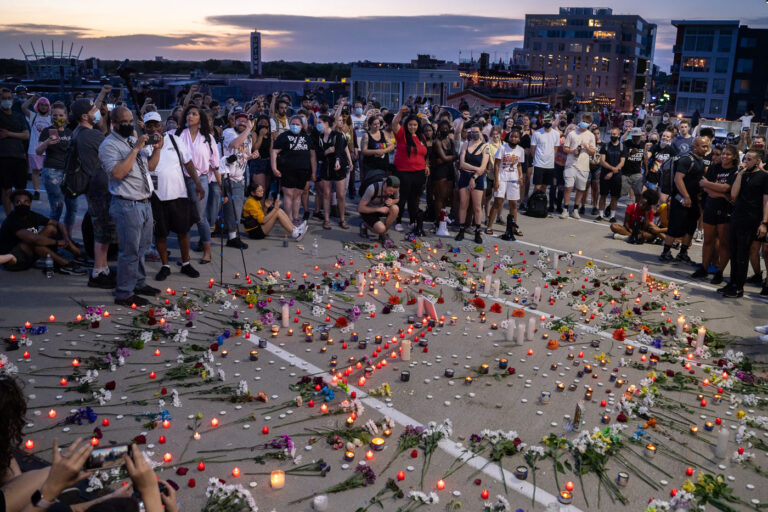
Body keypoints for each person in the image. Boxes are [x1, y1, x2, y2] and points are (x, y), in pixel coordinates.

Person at [99, 106, 161, 307]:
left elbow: (150, 167)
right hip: (126, 204)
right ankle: (124, 293)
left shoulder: (132, 138)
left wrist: (157, 149)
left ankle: (139, 283)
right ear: (114, 123)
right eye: (123, 122)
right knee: (129, 251)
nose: (128, 125)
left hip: (144, 202)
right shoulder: (108, 145)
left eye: (130, 121)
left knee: (142, 248)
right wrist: (135, 149)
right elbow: (117, 173)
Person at [142, 112, 203, 281]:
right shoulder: (142, 145)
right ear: (144, 127)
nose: (153, 128)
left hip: (179, 194)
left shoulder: (175, 140)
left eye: (156, 124)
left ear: (162, 125)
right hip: (156, 196)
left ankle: (186, 263)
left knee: (183, 231)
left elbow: (188, 162)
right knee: (160, 234)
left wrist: (197, 183)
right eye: (149, 125)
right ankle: (165, 265)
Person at [718, 150, 768, 298]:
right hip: (737, 217)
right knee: (733, 251)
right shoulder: (743, 174)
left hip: (751, 219)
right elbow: (733, 195)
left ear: (758, 161)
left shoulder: (764, 177)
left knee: (742, 254)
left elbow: (766, 201)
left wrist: (764, 223)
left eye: (750, 159)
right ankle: (732, 283)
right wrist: (739, 174)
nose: (746, 161)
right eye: (745, 158)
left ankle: (739, 287)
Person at [0, 189, 86, 274]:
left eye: (26, 202)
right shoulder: (12, 221)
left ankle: (79, 255)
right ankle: (64, 264)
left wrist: (66, 238)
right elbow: (34, 239)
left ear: (30, 203)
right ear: (13, 204)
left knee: (51, 228)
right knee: (36, 243)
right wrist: (57, 242)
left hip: (27, 252)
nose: (22, 204)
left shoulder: (32, 215)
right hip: (12, 261)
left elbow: (57, 223)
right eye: (18, 202)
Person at [176, 105, 221, 264]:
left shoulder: (208, 138)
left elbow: (215, 164)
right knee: (184, 218)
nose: (190, 116)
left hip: (201, 180)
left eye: (194, 114)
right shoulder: (180, 134)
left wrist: (222, 187)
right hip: (181, 179)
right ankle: (185, 255)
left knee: (200, 217)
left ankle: (207, 252)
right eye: (188, 113)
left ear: (200, 118)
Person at [659, 136, 709, 264]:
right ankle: (665, 252)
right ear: (695, 147)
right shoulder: (686, 160)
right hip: (681, 200)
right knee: (674, 227)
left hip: (693, 201)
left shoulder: (701, 161)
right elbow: (678, 179)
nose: (706, 149)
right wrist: (686, 196)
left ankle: (683, 253)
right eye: (703, 146)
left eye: (707, 146)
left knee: (690, 228)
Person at [693, 144, 738, 284]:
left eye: (728, 154)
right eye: (723, 153)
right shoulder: (714, 168)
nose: (724, 156)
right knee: (708, 241)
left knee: (724, 243)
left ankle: (719, 272)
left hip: (726, 210)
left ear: (734, 157)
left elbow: (727, 187)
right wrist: (723, 194)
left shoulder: (735, 171)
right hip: (710, 207)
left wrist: (711, 186)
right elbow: (703, 186)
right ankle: (704, 268)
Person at [35, 103, 78, 235]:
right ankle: (51, 238)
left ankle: (67, 238)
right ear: (51, 117)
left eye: (61, 115)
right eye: (55, 115)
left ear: (66, 117)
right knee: (57, 207)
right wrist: (48, 142)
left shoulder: (70, 132)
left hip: (68, 174)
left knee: (73, 207)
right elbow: (38, 151)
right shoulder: (46, 131)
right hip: (51, 172)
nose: (58, 117)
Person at [220, 112, 256, 249]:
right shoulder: (228, 132)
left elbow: (243, 154)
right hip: (226, 176)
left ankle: (232, 237)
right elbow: (234, 145)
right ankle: (205, 239)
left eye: (245, 121)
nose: (242, 123)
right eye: (239, 121)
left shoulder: (249, 136)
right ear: (234, 122)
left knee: (236, 210)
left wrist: (251, 156)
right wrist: (248, 129)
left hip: (240, 178)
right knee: (225, 210)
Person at [271, 116, 316, 223]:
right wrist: (274, 168)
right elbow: (274, 152)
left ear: (302, 126)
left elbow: (313, 156)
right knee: (288, 194)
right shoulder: (283, 136)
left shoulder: (307, 137)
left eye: (297, 124)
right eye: (293, 124)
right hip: (287, 170)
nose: (295, 126)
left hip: (303, 170)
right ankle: (288, 219)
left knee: (298, 195)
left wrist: (313, 172)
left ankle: (295, 218)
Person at [391, 106, 429, 234]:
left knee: (414, 198)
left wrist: (427, 166)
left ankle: (413, 221)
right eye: (410, 124)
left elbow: (425, 154)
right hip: (403, 172)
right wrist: (400, 112)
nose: (413, 127)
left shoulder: (421, 137)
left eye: (415, 125)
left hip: (418, 173)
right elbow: (394, 123)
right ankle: (399, 221)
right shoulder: (401, 135)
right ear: (406, 125)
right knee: (402, 197)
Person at [488, 129, 524, 241]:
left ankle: (513, 227)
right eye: (512, 136)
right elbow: (497, 165)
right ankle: (489, 226)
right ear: (509, 137)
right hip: (502, 178)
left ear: (519, 139)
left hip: (513, 179)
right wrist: (496, 180)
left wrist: (521, 176)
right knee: (498, 202)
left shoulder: (520, 150)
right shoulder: (502, 148)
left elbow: (519, 165)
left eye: (516, 137)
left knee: (513, 204)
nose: (514, 138)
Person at [316, 115, 352, 229]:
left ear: (326, 123)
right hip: (325, 167)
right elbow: (319, 154)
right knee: (326, 194)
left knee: (341, 195)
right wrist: (327, 151)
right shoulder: (319, 137)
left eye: (319, 122)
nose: (317, 124)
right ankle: (326, 219)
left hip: (338, 167)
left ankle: (342, 219)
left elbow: (340, 150)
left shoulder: (337, 135)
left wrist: (337, 160)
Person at [456, 123, 489, 242]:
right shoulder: (465, 144)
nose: (474, 134)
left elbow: (483, 166)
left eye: (477, 132)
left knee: (477, 206)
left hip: (477, 178)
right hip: (464, 175)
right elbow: (462, 163)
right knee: (463, 204)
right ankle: (461, 230)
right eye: (472, 132)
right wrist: (476, 169)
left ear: (481, 132)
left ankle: (478, 232)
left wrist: (474, 176)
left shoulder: (486, 147)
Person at [0, 88, 30, 215]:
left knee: (20, 191)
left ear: (12, 100)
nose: (7, 101)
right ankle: (8, 219)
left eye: (9, 98)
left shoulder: (19, 116)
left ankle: (20, 216)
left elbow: (26, 135)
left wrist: (8, 134)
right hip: (3, 158)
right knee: (7, 191)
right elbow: (22, 134)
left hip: (19, 157)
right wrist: (17, 134)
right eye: (3, 98)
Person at [561, 114, 596, 219]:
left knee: (581, 189)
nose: (584, 122)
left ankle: (575, 209)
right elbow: (565, 148)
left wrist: (586, 147)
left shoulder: (591, 135)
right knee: (568, 187)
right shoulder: (572, 133)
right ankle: (565, 209)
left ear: (589, 124)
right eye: (583, 120)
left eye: (587, 122)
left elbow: (593, 151)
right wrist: (573, 151)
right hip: (571, 164)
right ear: (580, 120)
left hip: (584, 166)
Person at [242, 184, 307, 241]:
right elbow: (263, 221)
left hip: (259, 227)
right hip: (255, 232)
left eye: (262, 190)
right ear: (253, 193)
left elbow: (262, 216)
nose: (262, 193)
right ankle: (295, 234)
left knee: (279, 210)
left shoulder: (255, 200)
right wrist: (275, 208)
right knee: (277, 212)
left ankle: (294, 228)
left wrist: (266, 207)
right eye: (259, 191)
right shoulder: (251, 203)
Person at [21, 96, 51, 200]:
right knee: (36, 172)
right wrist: (32, 98)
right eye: (41, 104)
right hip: (34, 149)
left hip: (48, 150)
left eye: (46, 105)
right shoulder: (33, 116)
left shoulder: (52, 118)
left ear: (49, 107)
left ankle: (52, 190)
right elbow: (23, 107)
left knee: (50, 173)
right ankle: (36, 191)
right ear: (37, 106)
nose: (43, 107)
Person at [430, 119, 456, 232]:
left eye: (446, 129)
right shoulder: (437, 141)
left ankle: (443, 219)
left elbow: (454, 156)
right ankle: (438, 221)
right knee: (439, 197)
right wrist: (452, 158)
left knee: (446, 197)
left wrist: (447, 159)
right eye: (442, 129)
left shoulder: (451, 141)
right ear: (439, 129)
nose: (444, 130)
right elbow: (447, 157)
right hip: (439, 171)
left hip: (449, 170)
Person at [358, 175, 400, 242]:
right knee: (380, 229)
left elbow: (397, 199)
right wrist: (378, 209)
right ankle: (364, 224)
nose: (392, 193)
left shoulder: (395, 188)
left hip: (382, 208)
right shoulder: (372, 188)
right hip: (369, 210)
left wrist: (392, 201)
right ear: (385, 184)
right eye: (390, 191)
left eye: (393, 192)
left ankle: (383, 234)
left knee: (395, 209)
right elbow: (360, 208)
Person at [530, 112, 560, 197]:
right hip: (539, 164)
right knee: (537, 186)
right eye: (545, 120)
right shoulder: (537, 133)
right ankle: (532, 203)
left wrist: (550, 159)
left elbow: (556, 149)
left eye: (549, 120)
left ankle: (540, 205)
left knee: (544, 186)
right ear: (542, 121)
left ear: (552, 121)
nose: (547, 122)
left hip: (549, 165)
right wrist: (536, 160)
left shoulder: (556, 134)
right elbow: (533, 149)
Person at [644, 130, 676, 195]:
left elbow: (674, 163)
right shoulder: (655, 146)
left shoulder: (671, 150)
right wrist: (646, 151)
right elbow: (647, 156)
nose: (665, 137)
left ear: (671, 139)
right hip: (653, 175)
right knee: (652, 196)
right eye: (664, 136)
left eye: (667, 137)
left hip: (664, 177)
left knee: (661, 199)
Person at [620, 127, 645, 203]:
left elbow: (645, 158)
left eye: (637, 136)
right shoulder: (626, 143)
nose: (636, 138)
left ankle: (636, 209)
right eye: (634, 136)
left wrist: (646, 170)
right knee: (620, 193)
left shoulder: (643, 144)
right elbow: (621, 156)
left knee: (638, 193)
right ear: (631, 136)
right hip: (625, 172)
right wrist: (630, 153)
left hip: (637, 172)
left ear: (640, 136)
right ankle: (610, 208)